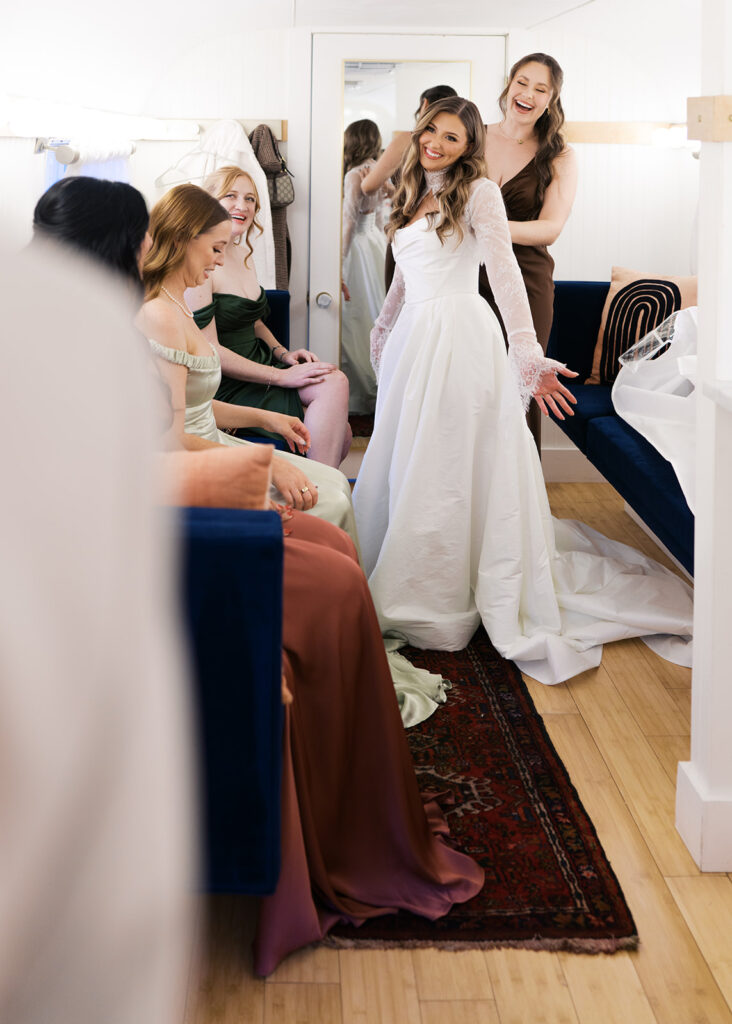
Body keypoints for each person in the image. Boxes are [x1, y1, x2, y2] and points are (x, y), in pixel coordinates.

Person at [353, 96, 693, 687]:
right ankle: (409, 566)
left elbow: (505, 273)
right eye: (430, 129)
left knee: (451, 464)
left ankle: (440, 591)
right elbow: (405, 278)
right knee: (409, 458)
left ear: (469, 147)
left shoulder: (478, 192)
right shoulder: (407, 193)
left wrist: (527, 351)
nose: (436, 142)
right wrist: (383, 331)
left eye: (452, 137)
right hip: (414, 343)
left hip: (460, 338)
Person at [187, 166, 352, 469]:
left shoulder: (240, 253)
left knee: (343, 433)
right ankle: (320, 495)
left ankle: (313, 492)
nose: (243, 205)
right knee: (334, 385)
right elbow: (211, 351)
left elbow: (255, 320)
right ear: (208, 200)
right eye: (231, 196)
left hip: (261, 362)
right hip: (227, 382)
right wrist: (282, 377)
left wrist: (284, 354)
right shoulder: (201, 260)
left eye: (250, 199)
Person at [482, 53, 579, 454]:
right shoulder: (473, 136)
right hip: (467, 277)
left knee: (519, 385)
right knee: (470, 382)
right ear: (509, 84)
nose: (528, 94)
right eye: (523, 82)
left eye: (541, 89)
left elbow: (550, 228)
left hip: (527, 280)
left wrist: (485, 227)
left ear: (552, 99)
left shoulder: (560, 154)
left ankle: (513, 506)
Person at [361, 84, 459, 291]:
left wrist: (393, 188)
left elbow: (368, 187)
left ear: (424, 104)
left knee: (403, 305)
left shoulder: (407, 140)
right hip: (444, 236)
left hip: (405, 230)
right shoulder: (456, 146)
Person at [341, 119, 390, 414]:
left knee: (354, 318)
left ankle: (360, 395)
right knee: (376, 312)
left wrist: (339, 265)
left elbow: (348, 221)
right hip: (375, 241)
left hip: (358, 244)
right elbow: (385, 212)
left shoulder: (353, 174)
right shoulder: (380, 170)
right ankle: (380, 385)